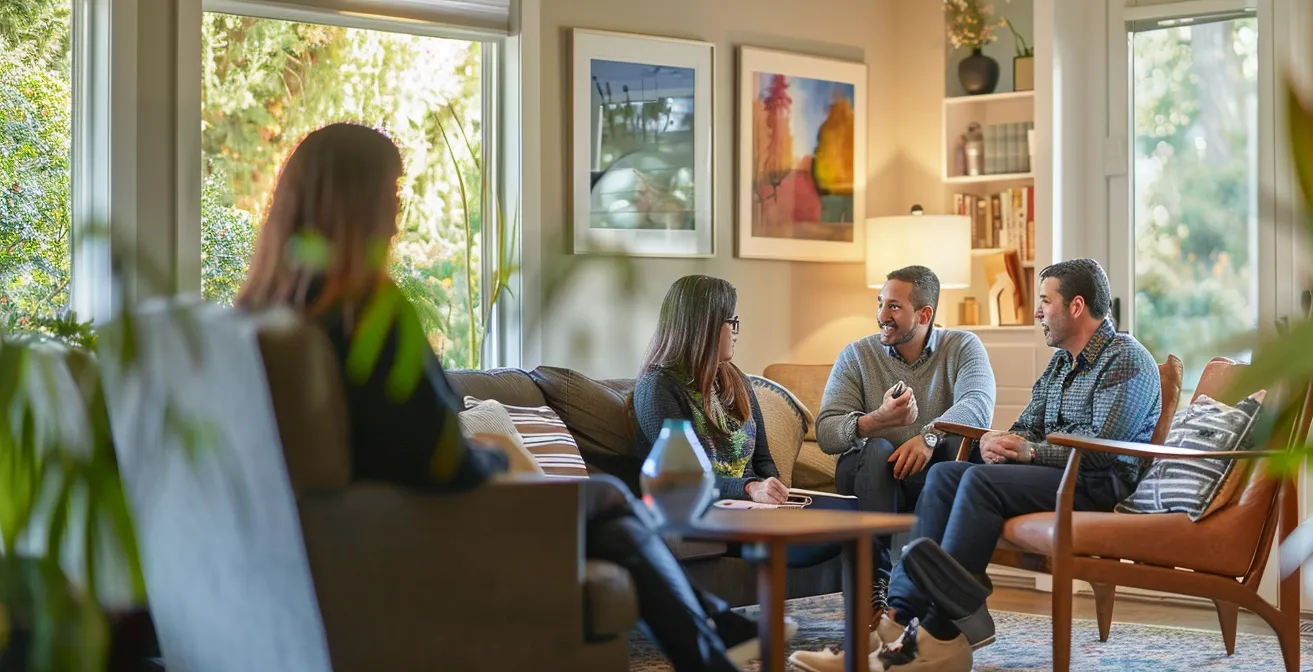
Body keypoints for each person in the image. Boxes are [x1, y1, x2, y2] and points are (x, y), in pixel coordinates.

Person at [235, 123, 754, 672]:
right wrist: (496, 455)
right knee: (606, 498)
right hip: (428, 524)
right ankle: (713, 636)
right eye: (389, 195)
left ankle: (711, 636)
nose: (396, 215)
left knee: (610, 514)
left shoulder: (269, 317)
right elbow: (438, 461)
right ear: (352, 205)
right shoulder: (369, 314)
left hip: (364, 532)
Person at [790, 259, 1161, 672]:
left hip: (1096, 484)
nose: (1038, 312)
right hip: (1054, 475)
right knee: (950, 474)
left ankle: (943, 633)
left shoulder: (1126, 359)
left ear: (1076, 307)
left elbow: (1103, 453)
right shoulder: (1061, 365)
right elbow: (1025, 428)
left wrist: (1029, 452)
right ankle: (897, 621)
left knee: (979, 483)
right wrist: (998, 443)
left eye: (1044, 302)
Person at [816, 265, 995, 600]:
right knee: (877, 449)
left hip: (931, 475)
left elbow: (978, 405)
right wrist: (876, 421)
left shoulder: (962, 347)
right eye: (880, 303)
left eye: (894, 307)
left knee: (956, 445)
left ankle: (925, 584)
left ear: (924, 313)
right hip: (868, 473)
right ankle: (873, 587)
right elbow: (827, 432)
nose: (882, 315)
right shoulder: (857, 355)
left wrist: (929, 435)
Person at [633, 274, 791, 507]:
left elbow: (763, 459)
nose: (736, 332)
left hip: (751, 507)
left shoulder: (738, 380)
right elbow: (682, 477)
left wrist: (773, 491)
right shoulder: (658, 387)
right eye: (731, 322)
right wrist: (749, 488)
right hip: (694, 509)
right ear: (705, 326)